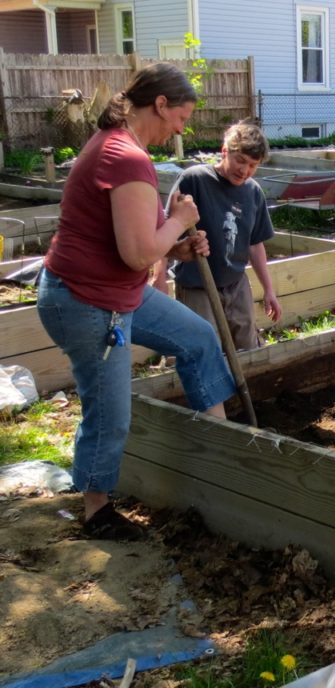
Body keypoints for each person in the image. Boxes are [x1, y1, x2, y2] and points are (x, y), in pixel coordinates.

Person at [36, 62, 237, 540]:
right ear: (160, 104)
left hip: (116, 292)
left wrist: (178, 245)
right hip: (86, 302)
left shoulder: (121, 149)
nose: (181, 130)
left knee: (197, 337)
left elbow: (135, 241)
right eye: (180, 118)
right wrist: (180, 218)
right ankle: (96, 508)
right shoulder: (125, 156)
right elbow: (138, 251)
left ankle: (227, 448)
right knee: (109, 411)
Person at [153, 122, 279, 350]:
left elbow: (255, 244)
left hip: (236, 284)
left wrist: (269, 289)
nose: (245, 170)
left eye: (253, 165)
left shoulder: (253, 192)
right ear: (224, 151)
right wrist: (159, 278)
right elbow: (165, 230)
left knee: (246, 345)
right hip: (197, 284)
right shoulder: (195, 180)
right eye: (240, 160)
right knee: (204, 348)